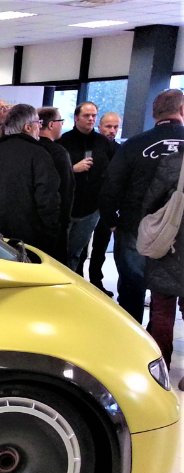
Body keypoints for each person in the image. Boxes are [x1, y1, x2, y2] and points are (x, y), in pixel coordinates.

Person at [99, 89, 184, 323]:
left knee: (131, 287)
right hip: (179, 233)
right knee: (166, 296)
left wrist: (112, 222)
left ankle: (131, 336)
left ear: (154, 113)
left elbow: (110, 186)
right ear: (182, 109)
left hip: (135, 226)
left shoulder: (134, 145)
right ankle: (159, 338)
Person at [0, 104, 63, 261]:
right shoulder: (39, 154)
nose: (40, 127)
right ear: (28, 127)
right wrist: (52, 233)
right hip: (28, 241)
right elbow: (47, 199)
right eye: (38, 123)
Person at [140, 151, 184, 390]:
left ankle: (161, 371)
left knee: (162, 312)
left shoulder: (173, 162)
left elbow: (151, 201)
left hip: (170, 245)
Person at [58, 101, 112, 272]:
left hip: (91, 209)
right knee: (59, 251)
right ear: (76, 118)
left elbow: (112, 171)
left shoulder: (103, 143)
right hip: (66, 207)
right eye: (86, 115)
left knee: (76, 252)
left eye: (93, 115)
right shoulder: (63, 141)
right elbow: (53, 172)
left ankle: (72, 281)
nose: (91, 119)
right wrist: (73, 169)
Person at [83, 111, 122, 295]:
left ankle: (96, 281)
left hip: (109, 205)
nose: (112, 130)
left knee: (101, 245)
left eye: (115, 127)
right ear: (100, 126)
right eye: (108, 126)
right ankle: (79, 279)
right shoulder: (91, 146)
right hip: (87, 203)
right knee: (82, 245)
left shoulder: (121, 150)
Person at [37, 107, 75, 264]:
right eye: (61, 121)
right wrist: (64, 221)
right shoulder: (58, 152)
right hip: (54, 223)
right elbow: (66, 190)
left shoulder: (28, 149)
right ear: (51, 124)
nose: (62, 125)